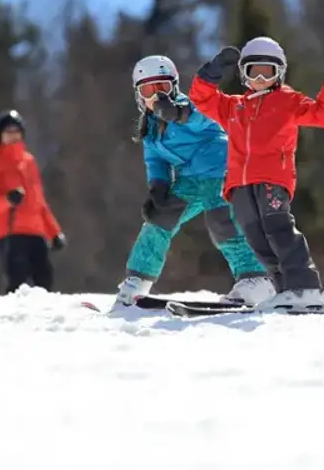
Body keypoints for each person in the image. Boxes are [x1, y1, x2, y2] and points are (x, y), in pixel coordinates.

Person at [188, 36, 324, 310]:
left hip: (273, 178)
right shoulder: (234, 106)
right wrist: (209, 73)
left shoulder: (288, 100)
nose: (261, 78)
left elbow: (323, 114)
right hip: (240, 184)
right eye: (254, 71)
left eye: (268, 72)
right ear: (244, 74)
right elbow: (201, 99)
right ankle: (285, 290)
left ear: (279, 73)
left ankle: (305, 286)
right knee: (257, 238)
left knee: (278, 228)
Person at [114, 54, 276, 308]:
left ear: (174, 87)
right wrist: (158, 187)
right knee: (158, 221)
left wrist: (180, 113)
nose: (156, 96)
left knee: (223, 221)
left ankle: (256, 278)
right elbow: (155, 160)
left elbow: (208, 116)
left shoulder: (189, 107)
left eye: (162, 87)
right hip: (189, 181)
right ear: (139, 96)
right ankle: (137, 280)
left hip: (220, 170)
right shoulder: (150, 128)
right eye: (148, 90)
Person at [0, 110, 67, 293]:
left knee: (45, 278)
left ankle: (43, 311)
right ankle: (14, 310)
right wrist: (7, 200)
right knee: (18, 279)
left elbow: (39, 202)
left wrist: (54, 232)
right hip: (10, 230)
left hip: (35, 230)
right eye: (8, 131)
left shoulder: (29, 162)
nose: (13, 135)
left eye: (16, 131)